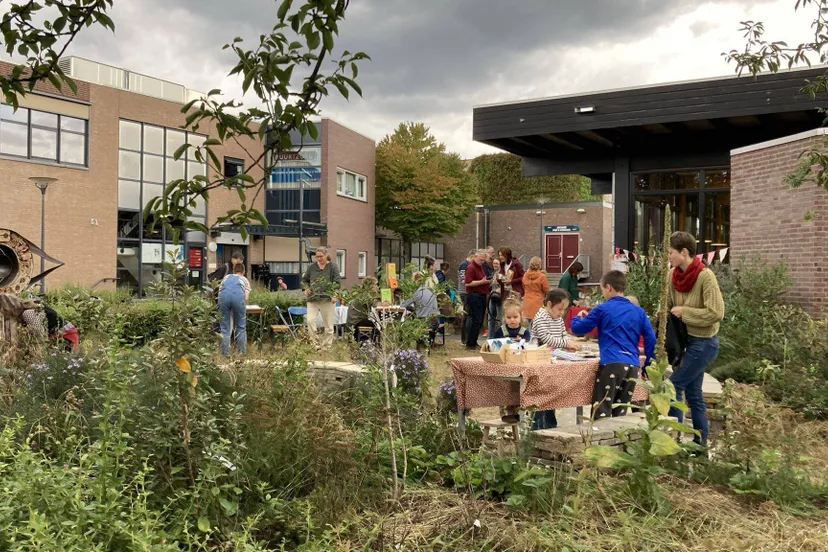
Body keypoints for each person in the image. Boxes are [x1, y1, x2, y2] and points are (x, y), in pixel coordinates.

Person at [571, 271, 657, 420]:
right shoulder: (639, 311)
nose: (603, 293)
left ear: (608, 287)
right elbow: (651, 341)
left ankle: (599, 440)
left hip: (611, 363)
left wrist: (576, 318)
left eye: (602, 289)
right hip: (632, 366)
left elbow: (578, 329)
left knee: (601, 411)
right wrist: (647, 364)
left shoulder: (602, 309)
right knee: (621, 415)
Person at [667, 231, 725, 447]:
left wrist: (685, 312)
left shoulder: (705, 276)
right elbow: (666, 306)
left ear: (684, 252)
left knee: (672, 387)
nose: (669, 257)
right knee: (694, 396)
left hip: (704, 343)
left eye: (671, 253)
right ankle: (699, 448)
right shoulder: (671, 275)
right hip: (683, 342)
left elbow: (716, 312)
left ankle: (674, 443)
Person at [531, 288, 578, 429]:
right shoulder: (540, 317)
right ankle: (537, 425)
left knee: (551, 394)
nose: (561, 313)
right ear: (549, 304)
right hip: (540, 361)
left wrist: (567, 342)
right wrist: (566, 343)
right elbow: (546, 339)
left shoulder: (557, 318)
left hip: (554, 360)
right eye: (559, 309)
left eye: (564, 310)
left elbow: (563, 334)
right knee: (540, 395)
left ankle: (550, 423)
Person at [302, 246, 342, 351]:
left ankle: (326, 348)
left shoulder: (333, 267)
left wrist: (335, 295)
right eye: (317, 256)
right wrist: (306, 288)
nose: (319, 259)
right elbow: (305, 280)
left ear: (326, 255)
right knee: (310, 321)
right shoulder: (312, 267)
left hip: (327, 299)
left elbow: (337, 282)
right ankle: (315, 345)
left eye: (321, 256)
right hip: (313, 299)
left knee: (328, 326)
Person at [218, 263, 251, 356]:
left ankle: (225, 354)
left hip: (223, 299)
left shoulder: (226, 277)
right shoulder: (245, 280)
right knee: (240, 327)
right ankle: (241, 353)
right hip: (238, 299)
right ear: (243, 271)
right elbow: (246, 298)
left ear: (233, 270)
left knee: (225, 328)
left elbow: (220, 291)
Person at [463, 249, 491, 350]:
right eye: (480, 260)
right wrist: (482, 282)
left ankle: (473, 341)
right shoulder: (471, 268)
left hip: (481, 295)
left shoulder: (480, 267)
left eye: (483, 260)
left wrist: (487, 281)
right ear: (475, 257)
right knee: (476, 320)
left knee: (479, 321)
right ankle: (470, 343)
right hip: (474, 295)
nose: (482, 262)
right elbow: (467, 283)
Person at [401, 272, 441, 344]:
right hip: (435, 322)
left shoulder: (417, 293)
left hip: (424, 322)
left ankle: (406, 341)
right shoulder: (431, 291)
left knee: (407, 320)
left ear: (416, 281)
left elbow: (403, 305)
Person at [346, 276, 380, 343]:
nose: (377, 287)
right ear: (370, 286)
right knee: (377, 329)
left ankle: (368, 343)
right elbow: (377, 305)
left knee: (374, 324)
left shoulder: (361, 293)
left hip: (352, 322)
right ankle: (375, 345)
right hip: (357, 322)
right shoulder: (366, 295)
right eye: (375, 285)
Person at [521, 256, 549, 324]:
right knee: (537, 323)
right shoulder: (542, 276)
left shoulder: (525, 275)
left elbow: (523, 286)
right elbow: (546, 289)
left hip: (527, 300)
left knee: (526, 324)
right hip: (538, 301)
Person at [486, 258, 505, 339]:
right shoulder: (493, 272)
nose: (495, 265)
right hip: (492, 296)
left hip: (499, 297)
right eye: (494, 263)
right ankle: (490, 337)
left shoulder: (502, 273)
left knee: (499, 318)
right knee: (491, 317)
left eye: (497, 263)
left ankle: (499, 336)